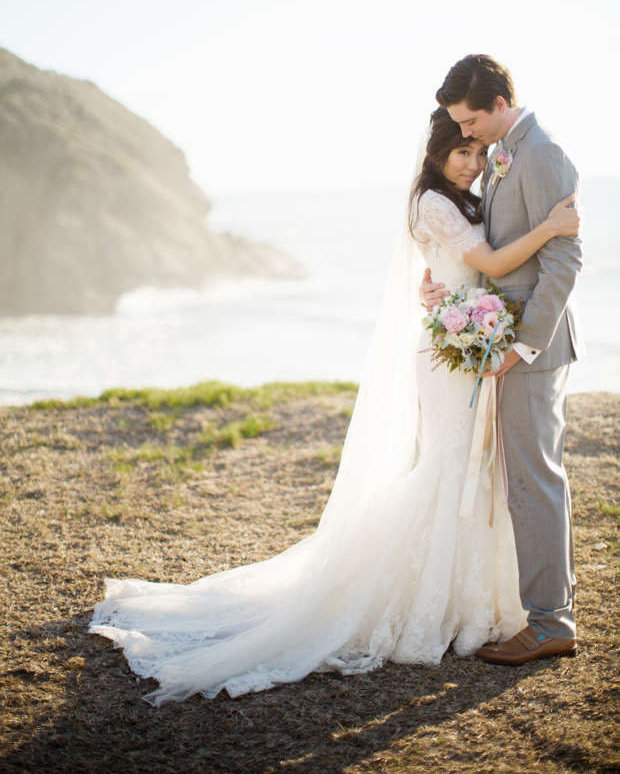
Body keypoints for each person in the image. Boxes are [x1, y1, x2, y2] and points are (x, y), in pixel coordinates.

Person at [90, 90, 581, 704]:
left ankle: (471, 598)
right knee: (450, 467)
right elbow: (492, 256)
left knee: (473, 470)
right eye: (460, 150)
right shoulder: (433, 202)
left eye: (477, 150)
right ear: (435, 153)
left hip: (467, 344)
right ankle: (425, 599)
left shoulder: (466, 197)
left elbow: (477, 268)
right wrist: (552, 227)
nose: (472, 162)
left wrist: (448, 296)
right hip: (454, 357)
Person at [422, 54, 584, 665]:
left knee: (533, 479)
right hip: (504, 340)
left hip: (530, 349)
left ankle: (550, 623)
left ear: (496, 104)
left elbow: (563, 262)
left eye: (468, 121)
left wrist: (521, 344)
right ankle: (546, 610)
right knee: (522, 477)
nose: (463, 134)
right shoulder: (504, 154)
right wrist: (438, 284)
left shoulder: (541, 154)